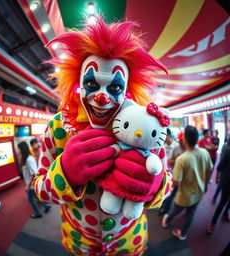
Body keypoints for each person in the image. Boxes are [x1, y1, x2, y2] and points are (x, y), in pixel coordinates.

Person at [33, 16, 172, 255]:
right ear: (79, 84)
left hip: (129, 241)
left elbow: (167, 181)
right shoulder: (58, 126)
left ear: (127, 89)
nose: (102, 97)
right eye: (92, 84)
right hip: (79, 242)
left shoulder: (144, 125)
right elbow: (40, 190)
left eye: (115, 87)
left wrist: (156, 186)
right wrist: (64, 173)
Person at [162, 126, 212, 240]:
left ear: (184, 139)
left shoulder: (182, 159)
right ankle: (183, 233)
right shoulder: (205, 152)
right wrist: (204, 186)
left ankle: (166, 221)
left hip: (185, 195)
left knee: (174, 210)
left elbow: (176, 181)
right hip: (199, 191)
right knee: (191, 213)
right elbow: (209, 170)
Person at [17, 141, 51, 218]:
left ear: (22, 149)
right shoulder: (26, 159)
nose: (18, 151)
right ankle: (46, 205)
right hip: (31, 184)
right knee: (36, 197)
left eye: (19, 149)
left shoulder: (29, 159)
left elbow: (34, 173)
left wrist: (28, 187)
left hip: (31, 184)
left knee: (30, 199)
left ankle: (38, 213)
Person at [159, 132, 185, 216]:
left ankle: (166, 210)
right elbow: (168, 160)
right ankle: (165, 208)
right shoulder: (163, 145)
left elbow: (169, 161)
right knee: (168, 192)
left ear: (169, 135)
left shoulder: (175, 146)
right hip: (166, 172)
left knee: (171, 193)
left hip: (174, 173)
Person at [207, 145, 230, 233]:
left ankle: (225, 213)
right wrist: (217, 178)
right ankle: (213, 222)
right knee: (223, 202)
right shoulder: (228, 151)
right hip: (227, 181)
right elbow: (219, 166)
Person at [212, 135, 230, 204]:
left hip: (225, 168)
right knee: (221, 185)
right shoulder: (225, 146)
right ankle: (215, 196)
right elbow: (222, 156)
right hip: (224, 168)